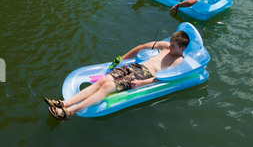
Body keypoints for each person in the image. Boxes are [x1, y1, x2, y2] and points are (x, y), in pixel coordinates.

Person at [45, 30, 190, 120]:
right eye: (170, 43)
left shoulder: (178, 60)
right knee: (103, 80)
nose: (169, 46)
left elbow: (163, 77)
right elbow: (141, 47)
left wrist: (142, 84)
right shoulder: (165, 46)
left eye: (173, 46)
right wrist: (123, 58)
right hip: (137, 66)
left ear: (181, 48)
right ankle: (65, 103)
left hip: (145, 75)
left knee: (107, 86)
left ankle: (70, 112)